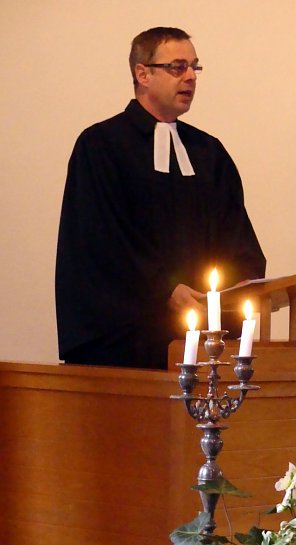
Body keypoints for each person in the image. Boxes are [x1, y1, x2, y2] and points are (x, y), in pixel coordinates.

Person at [55, 26, 266, 370]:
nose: (190, 77)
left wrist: (243, 282)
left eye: (194, 67)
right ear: (142, 74)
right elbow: (101, 241)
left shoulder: (208, 152)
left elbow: (236, 233)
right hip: (126, 344)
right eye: (177, 67)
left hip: (205, 342)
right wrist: (165, 290)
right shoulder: (101, 145)